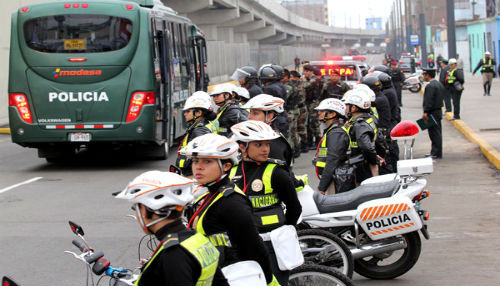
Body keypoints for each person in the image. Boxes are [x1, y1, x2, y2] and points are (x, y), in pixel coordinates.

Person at [180, 134, 279, 286]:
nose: (198, 167)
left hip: (233, 275)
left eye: (207, 161)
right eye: (195, 161)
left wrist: (267, 281)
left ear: (226, 166)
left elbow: (255, 248)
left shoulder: (231, 203)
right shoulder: (211, 193)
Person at [115, 171, 222, 286]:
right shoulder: (197, 239)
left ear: (145, 210)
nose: (137, 215)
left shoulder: (173, 254)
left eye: (136, 208)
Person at [230, 120, 302, 285]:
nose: (265, 149)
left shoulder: (277, 172)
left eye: (267, 144)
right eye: (258, 144)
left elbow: (294, 207)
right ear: (242, 147)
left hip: (272, 244)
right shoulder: (232, 172)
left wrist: (285, 231)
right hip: (243, 244)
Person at [313, 98, 354, 194]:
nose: (319, 113)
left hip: (334, 179)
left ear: (333, 114)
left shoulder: (336, 133)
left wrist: (322, 188)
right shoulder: (333, 130)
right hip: (332, 177)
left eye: (322, 111)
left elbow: (332, 161)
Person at [242, 94, 293, 166]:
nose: (249, 117)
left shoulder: (274, 143)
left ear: (269, 116)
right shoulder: (260, 137)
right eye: (250, 112)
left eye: (255, 113)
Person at [342, 89, 380, 184]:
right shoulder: (367, 118)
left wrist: (374, 161)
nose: (345, 107)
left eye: (347, 105)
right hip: (364, 163)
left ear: (354, 108)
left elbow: (366, 147)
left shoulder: (359, 125)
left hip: (361, 165)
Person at [176, 91, 217, 176]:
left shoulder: (199, 131)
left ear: (198, 113)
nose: (185, 114)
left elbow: (200, 156)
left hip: (192, 174)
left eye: (188, 111)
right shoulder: (204, 124)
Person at [422, 68, 444, 159]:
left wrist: (426, 112)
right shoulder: (439, 84)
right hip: (438, 111)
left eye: (424, 74)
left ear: (428, 75)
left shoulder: (430, 86)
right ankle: (437, 152)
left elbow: (429, 100)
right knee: (437, 132)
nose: (424, 76)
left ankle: (435, 152)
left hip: (432, 112)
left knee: (434, 133)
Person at [302, 64, 322, 150]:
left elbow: (306, 86)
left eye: (307, 71)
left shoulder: (315, 79)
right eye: (304, 71)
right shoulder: (306, 79)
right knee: (308, 123)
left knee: (314, 122)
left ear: (311, 72)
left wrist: (303, 81)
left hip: (314, 103)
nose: (305, 73)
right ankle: (309, 141)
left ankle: (318, 141)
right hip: (307, 103)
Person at [283, 69, 302, 157]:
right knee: (294, 131)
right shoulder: (291, 85)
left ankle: (292, 150)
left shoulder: (288, 87)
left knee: (290, 132)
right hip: (294, 110)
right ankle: (296, 148)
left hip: (291, 111)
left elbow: (285, 99)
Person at [290, 70, 309, 154]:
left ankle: (301, 146)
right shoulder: (302, 84)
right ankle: (303, 145)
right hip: (300, 107)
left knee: (298, 128)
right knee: (300, 128)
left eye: (291, 77)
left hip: (300, 108)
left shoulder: (297, 85)